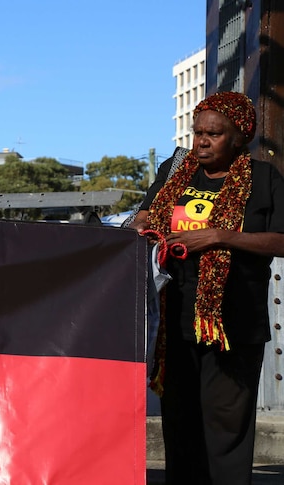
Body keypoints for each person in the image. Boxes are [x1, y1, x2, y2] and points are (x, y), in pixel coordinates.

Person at [129, 91, 284, 485]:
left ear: (239, 137)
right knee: (181, 428)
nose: (200, 141)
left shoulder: (264, 179)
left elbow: (281, 240)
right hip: (173, 324)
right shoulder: (174, 168)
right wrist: (142, 230)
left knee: (225, 429)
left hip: (233, 324)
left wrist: (220, 237)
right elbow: (143, 217)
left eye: (213, 134)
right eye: (197, 132)